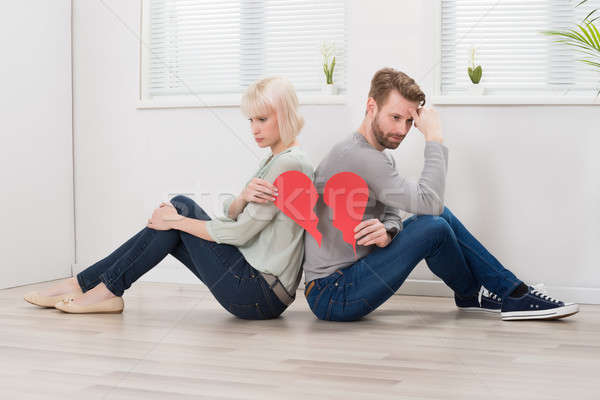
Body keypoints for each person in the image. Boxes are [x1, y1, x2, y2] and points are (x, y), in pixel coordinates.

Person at [302, 67, 579, 322]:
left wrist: (388, 230)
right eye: (395, 117)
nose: (402, 130)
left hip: (347, 281)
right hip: (333, 292)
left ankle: (480, 294)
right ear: (371, 106)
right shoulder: (358, 156)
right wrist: (434, 138)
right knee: (434, 221)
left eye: (410, 121)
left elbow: (391, 211)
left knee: (436, 218)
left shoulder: (375, 156)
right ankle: (511, 293)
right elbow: (430, 203)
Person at [24, 76, 314, 318]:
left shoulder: (290, 164)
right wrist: (240, 197)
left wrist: (176, 220)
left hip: (259, 293)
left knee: (178, 213)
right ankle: (89, 286)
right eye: (251, 119)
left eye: (262, 119)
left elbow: (237, 233)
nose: (254, 128)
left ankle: (95, 288)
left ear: (285, 114)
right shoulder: (275, 160)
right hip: (253, 283)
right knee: (178, 212)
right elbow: (233, 214)